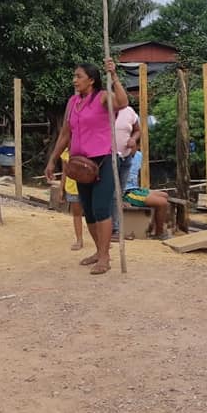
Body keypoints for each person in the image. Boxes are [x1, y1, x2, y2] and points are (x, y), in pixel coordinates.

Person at [44, 59, 128, 275]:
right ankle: (100, 252)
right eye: (74, 76)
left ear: (91, 80)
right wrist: (53, 159)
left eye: (78, 76)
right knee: (88, 212)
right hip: (79, 166)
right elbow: (65, 133)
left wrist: (114, 76)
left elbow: (122, 103)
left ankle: (105, 257)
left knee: (101, 208)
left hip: (103, 161)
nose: (74, 80)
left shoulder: (102, 97)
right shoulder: (72, 102)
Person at [121, 150, 171, 240]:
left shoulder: (139, 155)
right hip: (126, 192)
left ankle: (155, 226)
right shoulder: (120, 155)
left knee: (164, 195)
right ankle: (159, 233)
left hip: (135, 188)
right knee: (162, 202)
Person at [110, 104, 141, 242]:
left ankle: (116, 228)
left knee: (119, 192)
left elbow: (137, 130)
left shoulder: (129, 111)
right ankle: (112, 229)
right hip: (108, 156)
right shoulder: (104, 109)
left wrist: (133, 139)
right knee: (111, 192)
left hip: (126, 157)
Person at [59, 149, 84, 251]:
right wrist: (61, 189)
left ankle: (101, 241)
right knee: (77, 214)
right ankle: (79, 240)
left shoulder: (87, 148)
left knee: (95, 214)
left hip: (88, 185)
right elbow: (64, 172)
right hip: (72, 187)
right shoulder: (65, 153)